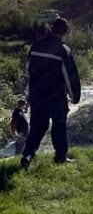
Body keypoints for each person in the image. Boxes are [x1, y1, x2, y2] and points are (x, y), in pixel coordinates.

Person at [20, 18, 81, 170]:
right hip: (55, 96)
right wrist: (75, 97)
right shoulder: (63, 50)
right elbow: (70, 76)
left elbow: (28, 69)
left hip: (36, 94)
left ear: (52, 29)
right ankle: (60, 157)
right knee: (59, 125)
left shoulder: (36, 45)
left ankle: (27, 155)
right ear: (65, 32)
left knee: (37, 126)